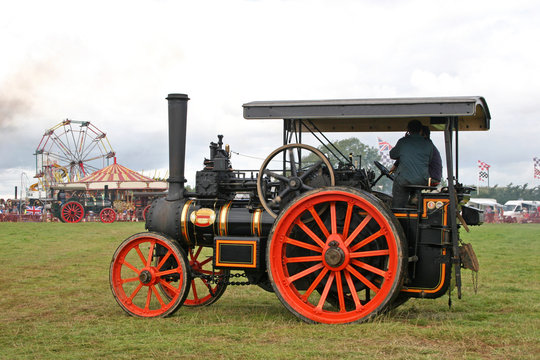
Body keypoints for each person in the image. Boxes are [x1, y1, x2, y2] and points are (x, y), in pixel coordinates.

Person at [389, 120, 432, 208]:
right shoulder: (428, 143)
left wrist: (405, 139)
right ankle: (415, 198)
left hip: (404, 180)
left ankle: (397, 210)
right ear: (420, 130)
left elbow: (392, 155)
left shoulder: (403, 141)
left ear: (408, 130)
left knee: (399, 189)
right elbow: (429, 159)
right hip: (422, 180)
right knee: (414, 180)